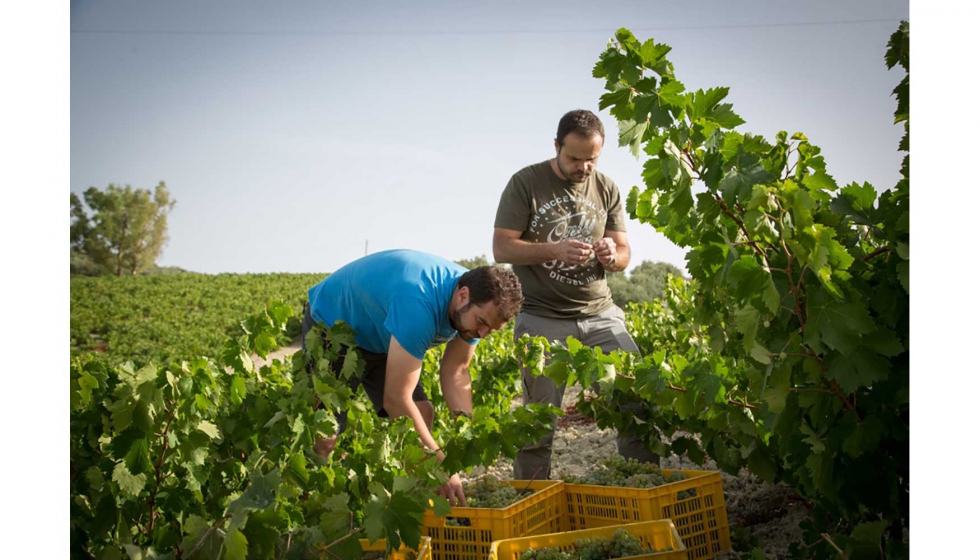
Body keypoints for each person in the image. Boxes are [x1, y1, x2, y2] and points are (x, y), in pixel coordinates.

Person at [492, 109, 659, 480]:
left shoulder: (607, 188)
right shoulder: (526, 183)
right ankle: (531, 500)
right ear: (556, 146)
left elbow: (624, 253)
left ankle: (642, 490)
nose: (584, 167)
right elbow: (502, 248)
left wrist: (612, 257)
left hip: (601, 314)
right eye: (575, 159)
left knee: (635, 402)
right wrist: (554, 250)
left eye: (592, 159)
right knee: (537, 424)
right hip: (541, 317)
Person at [301, 249, 524, 505]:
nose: (482, 334)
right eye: (481, 323)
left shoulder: (476, 304)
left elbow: (457, 371)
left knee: (423, 410)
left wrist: (467, 437)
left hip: (380, 333)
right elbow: (395, 399)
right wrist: (438, 461)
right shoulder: (419, 304)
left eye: (490, 330)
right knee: (324, 437)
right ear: (463, 296)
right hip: (332, 325)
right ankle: (311, 507)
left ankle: (415, 498)